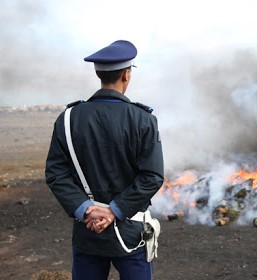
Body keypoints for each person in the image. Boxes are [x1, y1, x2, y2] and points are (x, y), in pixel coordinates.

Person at [45, 40, 164, 280]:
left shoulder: (68, 118)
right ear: (127, 74)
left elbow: (56, 174)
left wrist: (86, 210)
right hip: (131, 232)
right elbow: (152, 177)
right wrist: (114, 211)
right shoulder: (143, 120)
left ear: (97, 73)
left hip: (87, 231)